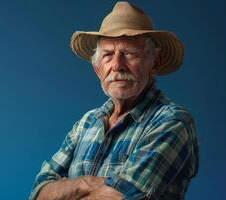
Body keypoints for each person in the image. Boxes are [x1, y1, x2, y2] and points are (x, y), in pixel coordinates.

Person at [29, 2, 199, 200]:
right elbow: (39, 191)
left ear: (155, 63)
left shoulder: (171, 122)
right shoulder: (87, 122)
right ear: (97, 69)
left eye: (130, 53)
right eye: (108, 55)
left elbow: (123, 197)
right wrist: (88, 183)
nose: (118, 65)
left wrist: (66, 190)